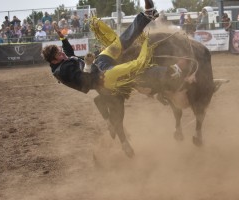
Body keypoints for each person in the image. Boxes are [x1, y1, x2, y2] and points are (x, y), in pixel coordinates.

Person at [41, 0, 159, 156]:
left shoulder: (61, 61)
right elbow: (84, 81)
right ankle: (124, 138)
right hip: (102, 79)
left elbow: (68, 52)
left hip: (99, 64)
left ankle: (147, 16)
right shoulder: (64, 72)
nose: (62, 54)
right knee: (132, 67)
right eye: (58, 54)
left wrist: (60, 35)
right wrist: (89, 65)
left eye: (59, 52)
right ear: (54, 60)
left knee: (119, 43)